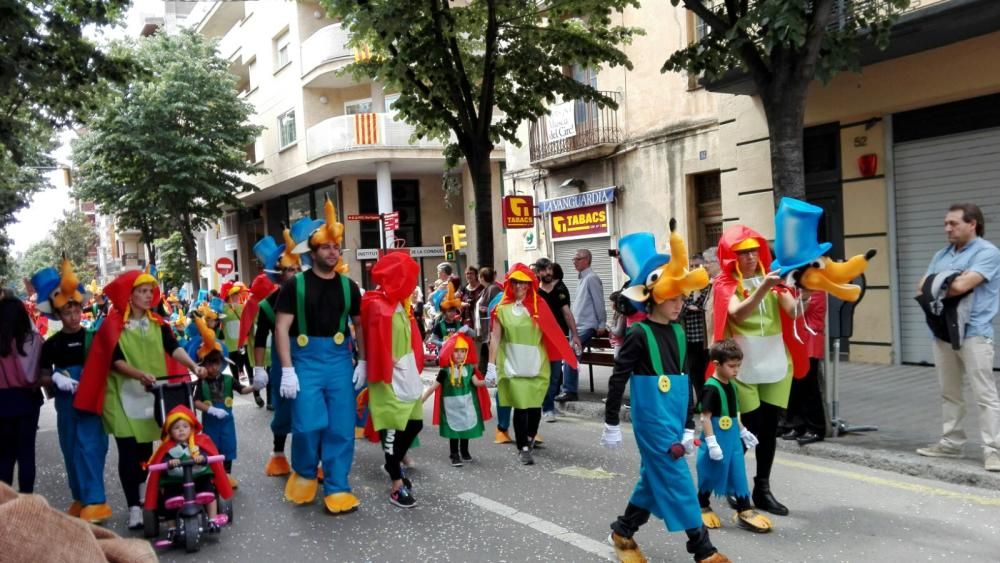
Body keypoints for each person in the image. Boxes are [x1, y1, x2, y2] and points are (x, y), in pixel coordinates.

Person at [601, 223, 728, 563]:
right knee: (677, 477)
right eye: (673, 297)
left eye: (682, 297)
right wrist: (612, 421)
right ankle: (703, 549)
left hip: (673, 418)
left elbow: (687, 380)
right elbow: (618, 378)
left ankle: (623, 530)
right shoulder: (638, 334)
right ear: (654, 296)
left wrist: (688, 425)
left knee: (654, 477)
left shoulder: (680, 331)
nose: (679, 303)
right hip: (651, 421)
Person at [75, 267, 207, 529]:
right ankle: (134, 506)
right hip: (121, 397)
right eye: (143, 292)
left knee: (146, 452)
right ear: (129, 295)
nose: (150, 296)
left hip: (152, 395)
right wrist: (138, 374)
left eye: (150, 291)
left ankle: (145, 497)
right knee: (127, 450)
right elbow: (114, 361)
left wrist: (193, 365)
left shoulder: (158, 322)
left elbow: (174, 347)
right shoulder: (113, 324)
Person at [275, 196, 364, 513]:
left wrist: (363, 360)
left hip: (339, 361)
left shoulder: (348, 287)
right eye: (326, 247)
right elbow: (281, 328)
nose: (332, 252)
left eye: (335, 246)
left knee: (341, 427)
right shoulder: (294, 286)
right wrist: (287, 370)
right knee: (307, 425)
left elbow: (359, 324)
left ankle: (338, 487)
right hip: (305, 362)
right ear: (312, 253)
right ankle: (304, 473)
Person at [916, 203, 1000, 472]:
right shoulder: (942, 254)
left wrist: (943, 283)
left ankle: (994, 451)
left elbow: (963, 285)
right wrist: (947, 282)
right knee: (949, 393)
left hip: (974, 333)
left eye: (953, 223)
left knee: (985, 395)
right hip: (942, 332)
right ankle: (951, 443)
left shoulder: (988, 253)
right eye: (946, 224)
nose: (947, 228)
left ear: (972, 223)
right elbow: (922, 287)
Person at [34, 259, 112, 521]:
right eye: (67, 312)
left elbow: (110, 365)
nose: (74, 316)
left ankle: (96, 501)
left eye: (77, 310)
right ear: (58, 315)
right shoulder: (52, 344)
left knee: (91, 448)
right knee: (70, 450)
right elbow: (42, 375)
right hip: (66, 406)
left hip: (91, 402)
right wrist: (56, 378)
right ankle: (80, 497)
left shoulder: (92, 336)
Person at [486, 264, 577, 465]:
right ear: (510, 283)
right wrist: (491, 367)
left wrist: (569, 347)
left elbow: (552, 333)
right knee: (520, 407)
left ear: (530, 284)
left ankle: (530, 437)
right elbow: (495, 338)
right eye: (516, 282)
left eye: (524, 282)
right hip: (512, 366)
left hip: (537, 365)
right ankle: (523, 447)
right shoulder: (501, 309)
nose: (520, 286)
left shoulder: (539, 305)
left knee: (534, 407)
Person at [358, 252, 426, 507]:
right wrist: (377, 365)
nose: (412, 284)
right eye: (408, 278)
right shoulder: (377, 303)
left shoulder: (399, 303)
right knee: (391, 430)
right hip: (387, 378)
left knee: (415, 424)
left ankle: (392, 464)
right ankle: (396, 484)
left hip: (405, 375)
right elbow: (373, 341)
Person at [697, 339, 771, 533]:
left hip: (732, 441)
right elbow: (705, 417)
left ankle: (744, 508)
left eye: (738, 366)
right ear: (716, 364)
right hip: (717, 439)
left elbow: (733, 413)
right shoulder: (711, 388)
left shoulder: (732, 385)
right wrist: (711, 443)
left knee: (738, 472)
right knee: (710, 473)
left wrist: (743, 431)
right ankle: (701, 503)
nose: (736, 370)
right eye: (731, 366)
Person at [250, 227, 302, 476]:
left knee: (313, 410)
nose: (294, 273)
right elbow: (260, 338)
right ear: (279, 275)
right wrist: (259, 369)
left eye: (297, 268)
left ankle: (315, 460)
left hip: (309, 358)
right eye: (289, 269)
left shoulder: (310, 295)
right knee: (283, 410)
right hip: (283, 362)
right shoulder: (268, 305)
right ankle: (278, 453)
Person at [189, 317, 261, 488]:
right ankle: (213, 475)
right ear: (203, 364)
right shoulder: (201, 382)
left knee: (228, 447)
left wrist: (256, 386)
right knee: (211, 448)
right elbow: (196, 401)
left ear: (221, 363)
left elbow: (242, 390)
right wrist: (211, 410)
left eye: (216, 363)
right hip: (211, 422)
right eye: (210, 364)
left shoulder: (229, 379)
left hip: (228, 421)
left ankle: (226, 475)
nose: (213, 367)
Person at [143, 405, 233, 531]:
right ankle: (172, 528)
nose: (181, 430)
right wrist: (169, 461)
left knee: (209, 491)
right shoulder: (166, 447)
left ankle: (212, 519)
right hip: (175, 480)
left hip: (198, 476)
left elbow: (208, 453)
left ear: (191, 428)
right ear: (169, 431)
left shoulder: (199, 442)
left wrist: (202, 458)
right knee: (170, 500)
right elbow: (160, 460)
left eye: (185, 427)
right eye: (176, 428)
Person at [423, 330, 492, 467]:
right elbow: (433, 387)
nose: (460, 354)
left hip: (466, 405)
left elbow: (477, 383)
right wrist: (421, 400)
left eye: (463, 351)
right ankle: (454, 454)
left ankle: (465, 451)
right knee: (453, 430)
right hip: (451, 407)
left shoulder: (469, 369)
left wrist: (489, 381)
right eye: (456, 351)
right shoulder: (445, 372)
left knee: (466, 427)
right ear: (450, 352)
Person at [0, 295, 44, 495]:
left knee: (4, 456)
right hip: (27, 401)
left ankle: (4, 502)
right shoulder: (33, 340)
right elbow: (35, 375)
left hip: (2, 402)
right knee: (26, 454)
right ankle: (26, 499)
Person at [557, 249, 607, 402]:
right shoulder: (582, 278)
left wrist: (601, 323)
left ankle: (570, 391)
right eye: (574, 258)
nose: (574, 261)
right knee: (569, 353)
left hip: (587, 326)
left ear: (586, 260)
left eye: (577, 259)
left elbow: (599, 302)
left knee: (571, 353)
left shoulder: (591, 278)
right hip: (577, 327)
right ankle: (568, 389)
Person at [534, 258, 580, 423]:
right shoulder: (534, 292)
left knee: (555, 374)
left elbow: (567, 313)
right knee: (542, 374)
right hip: (537, 339)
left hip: (557, 338)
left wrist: (575, 335)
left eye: (549, 269)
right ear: (538, 272)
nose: (547, 273)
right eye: (544, 270)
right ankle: (545, 406)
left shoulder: (560, 288)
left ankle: (548, 407)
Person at [781, 290, 828, 445]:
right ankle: (798, 424)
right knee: (797, 388)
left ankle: (815, 428)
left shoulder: (815, 290)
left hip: (810, 343)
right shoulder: (799, 290)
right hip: (799, 342)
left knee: (809, 388)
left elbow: (795, 310)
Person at [221, 281, 263, 407]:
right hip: (230, 346)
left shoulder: (242, 307)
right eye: (233, 294)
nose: (236, 297)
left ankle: (257, 395)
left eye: (237, 294)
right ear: (228, 296)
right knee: (235, 372)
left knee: (250, 370)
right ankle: (235, 393)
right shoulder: (222, 309)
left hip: (243, 343)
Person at [683, 254, 710, 408]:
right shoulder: (687, 287)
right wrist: (688, 307)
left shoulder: (708, 285)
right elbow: (682, 306)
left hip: (704, 337)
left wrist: (694, 306)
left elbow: (704, 306)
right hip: (690, 336)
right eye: (692, 266)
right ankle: (700, 401)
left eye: (697, 266)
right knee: (694, 372)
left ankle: (707, 403)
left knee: (705, 371)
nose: (694, 269)